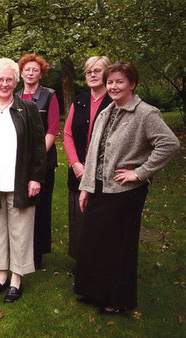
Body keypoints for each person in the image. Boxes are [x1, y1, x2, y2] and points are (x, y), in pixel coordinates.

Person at [75, 62, 180, 314]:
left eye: (120, 81)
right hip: (101, 188)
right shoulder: (105, 112)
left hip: (126, 193)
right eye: (110, 82)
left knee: (118, 248)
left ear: (132, 84)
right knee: (94, 242)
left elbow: (170, 144)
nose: (113, 86)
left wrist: (140, 172)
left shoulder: (146, 113)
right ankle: (94, 292)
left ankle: (117, 300)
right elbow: (93, 154)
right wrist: (86, 186)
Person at [0, 58, 46, 303]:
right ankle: (1, 276)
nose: (4, 83)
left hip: (20, 182)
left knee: (21, 231)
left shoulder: (28, 109)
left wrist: (36, 177)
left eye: (9, 79)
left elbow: (38, 147)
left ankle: (16, 279)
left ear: (16, 81)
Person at [63, 56, 112, 262]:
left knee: (101, 220)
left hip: (104, 172)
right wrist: (75, 164)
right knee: (78, 219)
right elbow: (67, 135)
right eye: (89, 71)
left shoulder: (114, 100)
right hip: (78, 171)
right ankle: (80, 262)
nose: (92, 75)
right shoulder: (79, 101)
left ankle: (99, 263)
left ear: (107, 73)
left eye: (97, 71)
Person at [17, 54, 60, 269]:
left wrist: (37, 156)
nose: (31, 73)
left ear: (41, 73)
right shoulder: (15, 96)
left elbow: (52, 129)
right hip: (18, 162)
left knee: (41, 208)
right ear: (21, 73)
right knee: (22, 208)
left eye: (35, 70)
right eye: (27, 69)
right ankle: (21, 249)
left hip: (43, 162)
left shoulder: (49, 96)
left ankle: (38, 253)